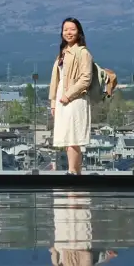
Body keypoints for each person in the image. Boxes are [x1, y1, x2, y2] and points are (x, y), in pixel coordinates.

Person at [49, 17, 93, 175]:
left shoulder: (83, 52)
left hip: (75, 98)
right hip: (62, 98)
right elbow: (56, 80)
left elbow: (86, 78)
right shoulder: (62, 53)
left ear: (79, 32)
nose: (68, 32)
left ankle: (73, 171)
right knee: (67, 136)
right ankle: (74, 171)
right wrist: (54, 102)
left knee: (73, 136)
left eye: (72, 29)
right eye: (65, 29)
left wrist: (68, 95)